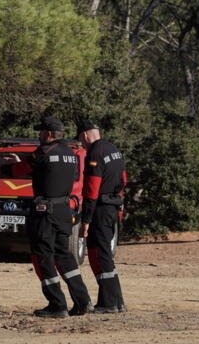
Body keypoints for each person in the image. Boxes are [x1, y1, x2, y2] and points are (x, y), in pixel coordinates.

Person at [27, 116, 92, 318]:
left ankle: (57, 304)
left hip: (45, 212)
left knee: (43, 257)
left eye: (41, 132)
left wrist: (8, 167)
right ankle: (83, 301)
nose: (39, 136)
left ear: (49, 134)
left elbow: (29, 169)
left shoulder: (43, 152)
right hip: (64, 209)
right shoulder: (71, 154)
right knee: (63, 255)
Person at [78, 120, 127, 313]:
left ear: (84, 135)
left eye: (81, 140)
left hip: (100, 209)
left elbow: (92, 188)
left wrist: (86, 220)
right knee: (103, 253)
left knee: (101, 254)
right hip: (112, 206)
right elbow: (124, 179)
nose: (82, 144)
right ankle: (117, 300)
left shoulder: (95, 152)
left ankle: (109, 303)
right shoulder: (114, 149)